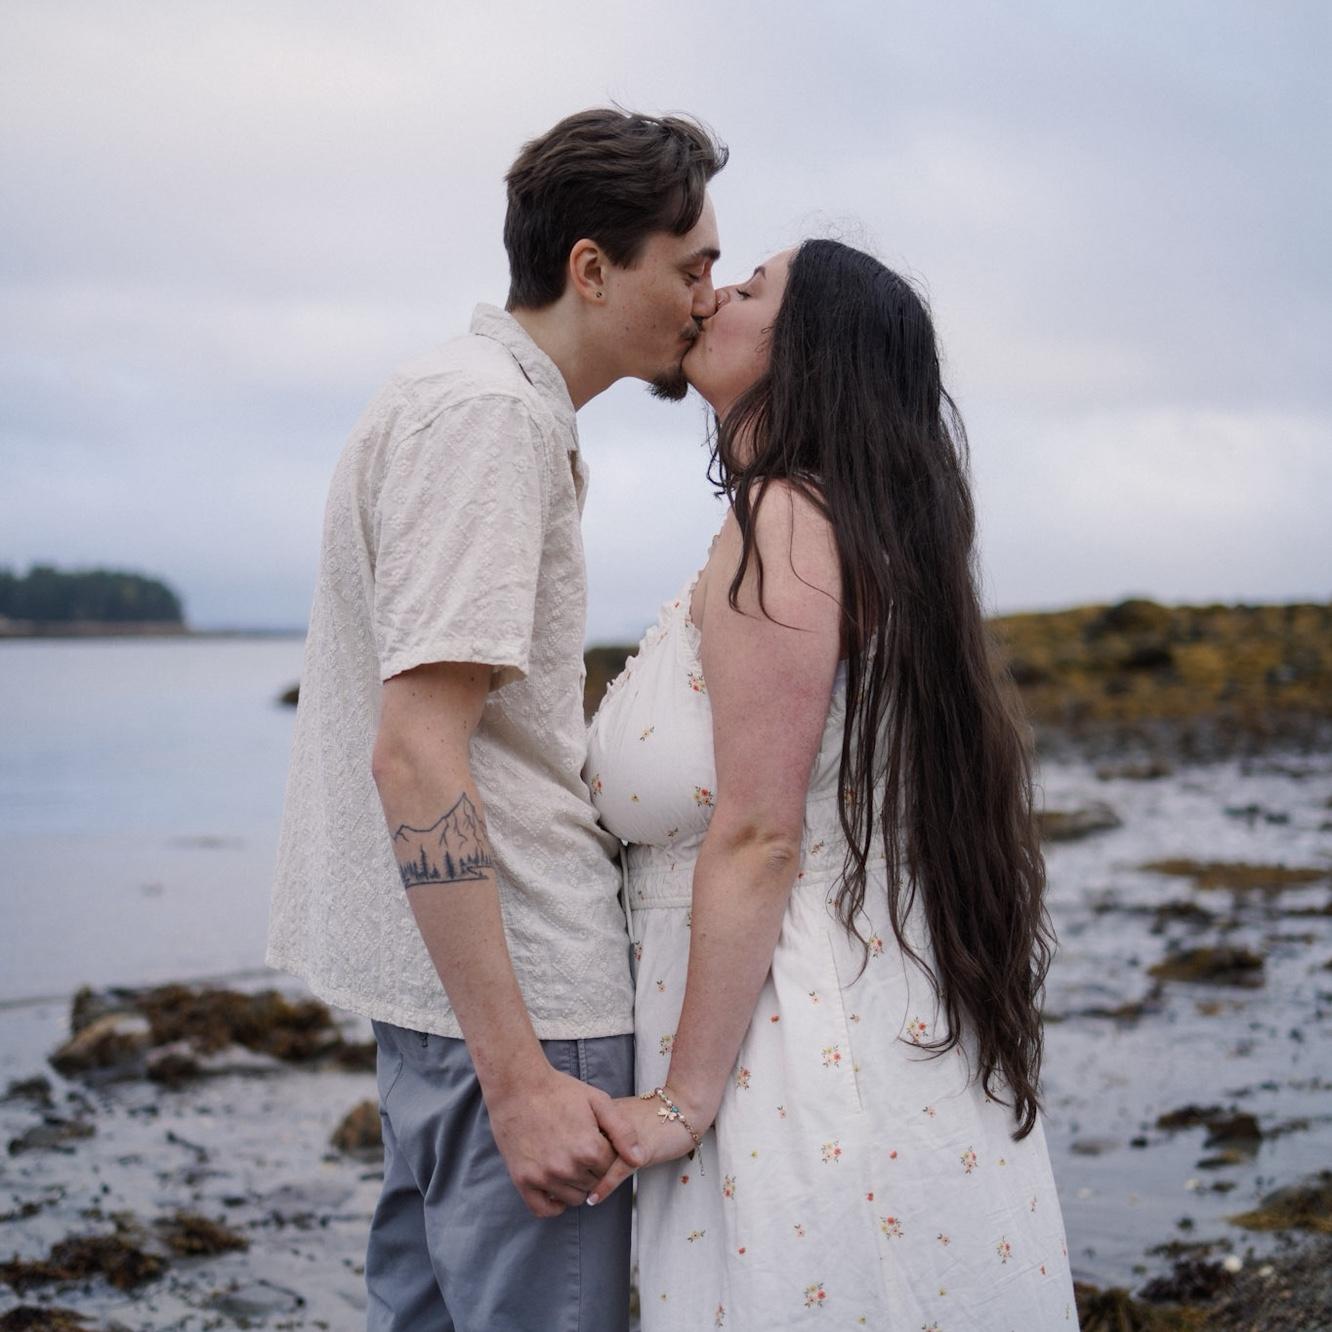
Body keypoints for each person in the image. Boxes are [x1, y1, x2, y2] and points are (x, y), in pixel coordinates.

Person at [266, 107, 726, 1331]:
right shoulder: (488, 419)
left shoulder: (456, 396)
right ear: (592, 268)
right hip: (527, 1007)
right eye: (692, 268)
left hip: (453, 1002)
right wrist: (519, 1079)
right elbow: (416, 755)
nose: (708, 301)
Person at [584, 240, 1078, 1328]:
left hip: (790, 1042)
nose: (714, 293)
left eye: (751, 287)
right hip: (818, 1010)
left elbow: (761, 834)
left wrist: (682, 1100)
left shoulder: (787, 523)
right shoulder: (830, 520)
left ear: (808, 351)